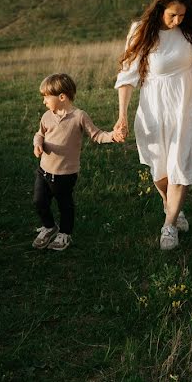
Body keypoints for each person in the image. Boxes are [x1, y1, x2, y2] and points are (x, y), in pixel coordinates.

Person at [114, 0, 192, 251]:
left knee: (182, 161)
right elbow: (127, 76)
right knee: (160, 169)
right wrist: (122, 116)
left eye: (182, 15)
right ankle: (170, 205)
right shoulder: (141, 31)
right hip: (154, 106)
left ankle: (169, 225)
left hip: (186, 104)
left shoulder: (190, 30)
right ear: (159, 10)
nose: (178, 20)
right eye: (172, 15)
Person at [32, 73, 122, 251]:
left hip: (65, 174)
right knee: (39, 201)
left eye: (46, 97)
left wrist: (113, 136)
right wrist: (38, 144)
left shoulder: (79, 116)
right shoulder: (46, 116)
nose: (44, 102)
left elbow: (96, 135)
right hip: (44, 170)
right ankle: (49, 227)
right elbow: (40, 134)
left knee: (64, 204)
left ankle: (65, 233)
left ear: (62, 97)